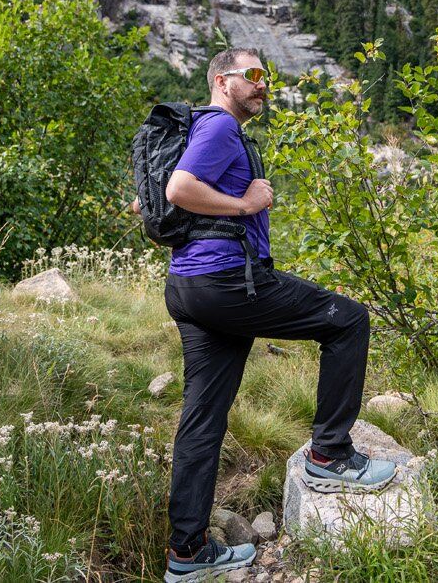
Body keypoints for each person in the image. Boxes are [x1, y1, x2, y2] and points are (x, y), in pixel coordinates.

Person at [159, 47, 396, 583]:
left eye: (267, 76)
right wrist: (245, 205)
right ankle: (331, 456)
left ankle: (188, 553)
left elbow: (149, 202)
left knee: (203, 416)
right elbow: (177, 190)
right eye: (255, 75)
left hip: (189, 287)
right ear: (223, 81)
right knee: (349, 319)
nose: (265, 85)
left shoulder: (198, 131)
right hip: (225, 283)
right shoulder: (219, 128)